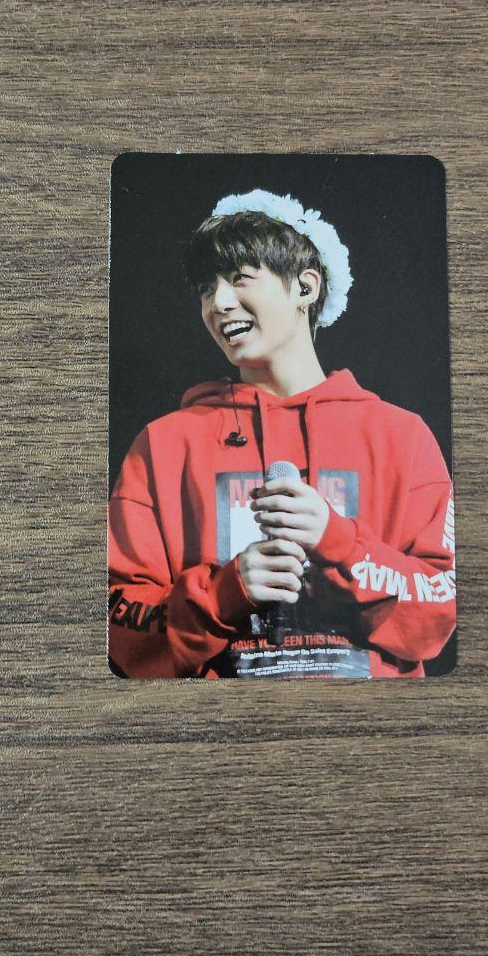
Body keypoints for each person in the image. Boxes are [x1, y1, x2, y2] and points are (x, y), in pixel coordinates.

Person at [108, 189, 456, 679]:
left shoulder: (401, 437)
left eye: (239, 279)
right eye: (207, 288)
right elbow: (117, 624)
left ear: (305, 287)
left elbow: (439, 610)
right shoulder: (164, 445)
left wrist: (338, 542)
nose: (219, 303)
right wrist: (225, 592)